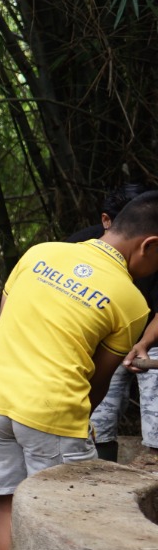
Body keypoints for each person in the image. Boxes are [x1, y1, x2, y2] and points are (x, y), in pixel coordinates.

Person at [0, 191, 158, 550]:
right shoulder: (130, 300)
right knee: (70, 517)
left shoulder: (39, 253)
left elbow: (6, 326)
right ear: (149, 245)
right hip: (50, 410)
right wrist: (75, 424)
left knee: (9, 506)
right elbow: (97, 381)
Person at [64, 182, 158, 461]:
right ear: (108, 221)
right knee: (97, 420)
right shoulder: (78, 247)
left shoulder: (152, 241)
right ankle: (102, 471)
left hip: (149, 341)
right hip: (104, 339)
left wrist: (142, 343)